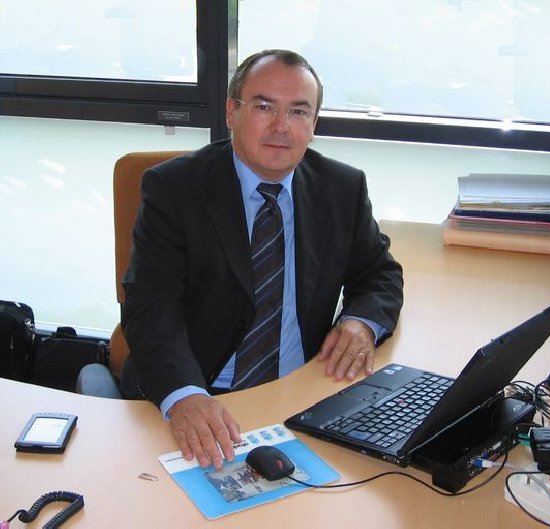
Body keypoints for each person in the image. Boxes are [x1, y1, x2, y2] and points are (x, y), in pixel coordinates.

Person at [121, 49, 403, 470]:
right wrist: (185, 395)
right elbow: (150, 305)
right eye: (264, 107)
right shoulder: (174, 189)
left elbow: (379, 273)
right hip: (203, 392)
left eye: (298, 111)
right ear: (231, 112)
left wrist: (361, 322)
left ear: (314, 124)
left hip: (303, 392)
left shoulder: (341, 188)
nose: (281, 127)